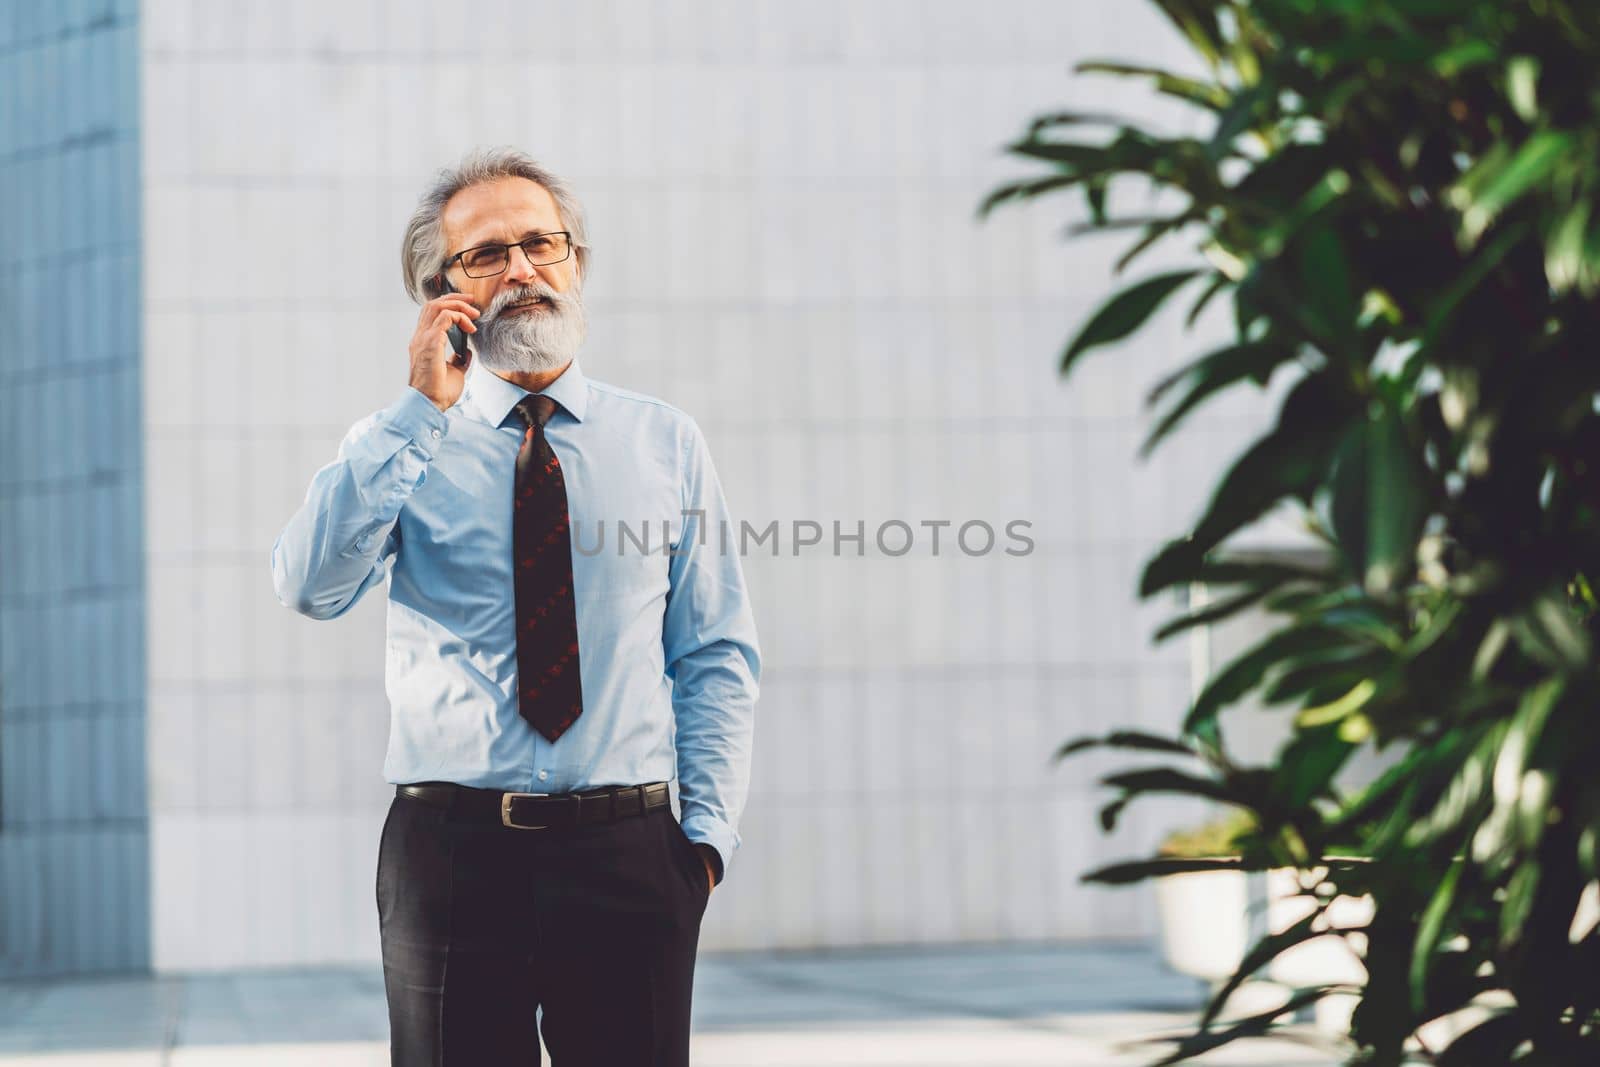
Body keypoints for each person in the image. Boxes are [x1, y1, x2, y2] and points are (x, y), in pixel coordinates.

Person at [269, 146, 761, 1065]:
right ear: (440, 290)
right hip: (453, 859)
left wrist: (701, 845)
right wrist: (419, 408)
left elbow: (714, 653)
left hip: (631, 856)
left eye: (542, 244)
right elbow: (309, 584)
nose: (523, 270)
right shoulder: (399, 445)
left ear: (575, 262)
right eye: (488, 254)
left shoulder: (664, 441)